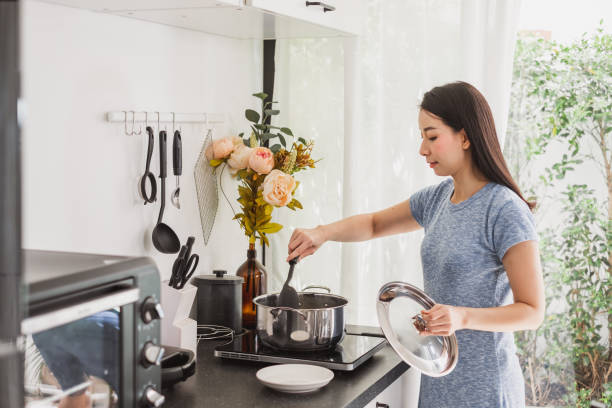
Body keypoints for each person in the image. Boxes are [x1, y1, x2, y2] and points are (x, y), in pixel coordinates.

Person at [286, 81, 544, 408]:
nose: (423, 149)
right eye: (422, 137)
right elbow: (374, 223)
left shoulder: (504, 209)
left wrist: (461, 317)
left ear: (465, 137)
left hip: (486, 388)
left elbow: (532, 312)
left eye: (432, 136)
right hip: (437, 375)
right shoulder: (437, 199)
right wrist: (321, 233)